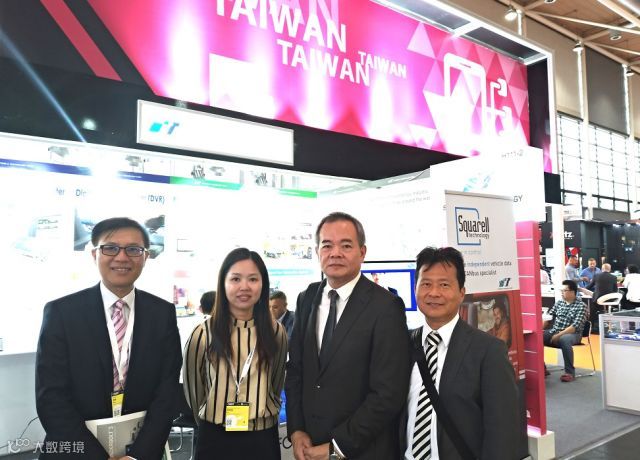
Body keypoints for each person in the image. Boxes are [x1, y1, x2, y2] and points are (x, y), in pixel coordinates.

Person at [35, 217, 182, 459]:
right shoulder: (62, 313)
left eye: (133, 249)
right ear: (94, 254)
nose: (122, 257)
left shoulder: (162, 313)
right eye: (110, 248)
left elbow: (166, 392)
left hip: (139, 451)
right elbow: (51, 397)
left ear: (146, 257)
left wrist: (138, 455)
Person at [285, 212, 410, 460]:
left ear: (362, 252)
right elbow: (296, 370)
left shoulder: (386, 307)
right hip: (309, 447)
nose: (335, 253)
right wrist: (296, 429)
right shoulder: (306, 298)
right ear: (317, 252)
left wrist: (336, 447)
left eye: (346, 245)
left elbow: (388, 393)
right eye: (327, 245)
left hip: (361, 450)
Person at [403, 246, 520, 460]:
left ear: (461, 293)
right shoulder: (403, 344)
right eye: (426, 284)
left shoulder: (488, 351)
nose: (434, 293)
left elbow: (503, 432)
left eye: (444, 284)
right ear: (415, 288)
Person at [183, 248, 287, 460]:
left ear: (263, 284)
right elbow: (194, 389)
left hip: (262, 437)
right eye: (236, 279)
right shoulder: (203, 333)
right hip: (215, 437)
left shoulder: (275, 332)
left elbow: (276, 383)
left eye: (253, 279)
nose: (244, 287)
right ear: (223, 283)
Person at [543, 280, 588, 382]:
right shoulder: (559, 303)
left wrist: (558, 335)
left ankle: (569, 372)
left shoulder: (581, 306)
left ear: (572, 292)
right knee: (537, 337)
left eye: (564, 291)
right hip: (555, 331)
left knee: (564, 339)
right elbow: (549, 318)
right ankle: (541, 367)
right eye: (561, 291)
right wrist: (540, 330)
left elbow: (574, 327)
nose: (562, 293)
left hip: (573, 334)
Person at [587, 263, 617, 332]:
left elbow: (590, 286)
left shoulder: (596, 275)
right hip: (609, 300)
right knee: (606, 307)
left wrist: (583, 289)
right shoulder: (614, 277)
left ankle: (592, 327)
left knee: (592, 308)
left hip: (598, 299)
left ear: (602, 269)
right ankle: (608, 324)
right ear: (609, 269)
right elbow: (615, 290)